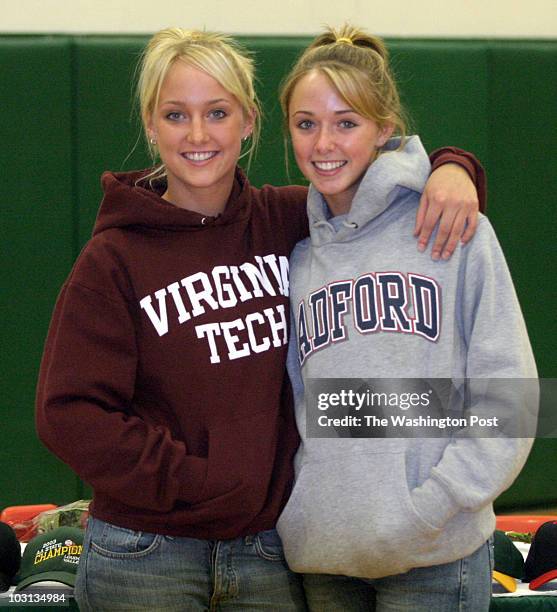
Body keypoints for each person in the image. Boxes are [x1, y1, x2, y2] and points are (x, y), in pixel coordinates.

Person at [36, 27, 487, 611]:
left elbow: (375, 183)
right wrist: (195, 481)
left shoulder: (291, 220)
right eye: (176, 115)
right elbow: (69, 414)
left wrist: (453, 167)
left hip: (266, 552)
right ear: (151, 125)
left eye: (217, 112)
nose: (198, 135)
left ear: (248, 121)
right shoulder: (113, 258)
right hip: (145, 552)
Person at [275, 24, 537, 612]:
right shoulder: (300, 258)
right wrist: (314, 511)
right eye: (306, 123)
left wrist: (433, 503)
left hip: (434, 558)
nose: (324, 144)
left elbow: (513, 399)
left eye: (347, 123)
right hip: (327, 560)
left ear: (384, 129)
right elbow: (314, 408)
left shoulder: (453, 227)